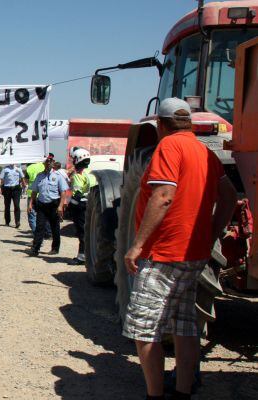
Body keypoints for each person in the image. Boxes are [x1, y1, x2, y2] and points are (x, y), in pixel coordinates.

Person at [122, 98, 236, 400]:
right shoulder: (205, 151)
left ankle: (154, 394)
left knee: (144, 330)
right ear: (189, 123)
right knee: (185, 325)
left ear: (161, 124)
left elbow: (163, 195)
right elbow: (230, 197)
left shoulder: (169, 147)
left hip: (163, 254)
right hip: (193, 254)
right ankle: (183, 391)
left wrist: (137, 245)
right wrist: (211, 233)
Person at [29, 158, 69, 256]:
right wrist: (30, 203)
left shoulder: (58, 176)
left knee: (55, 228)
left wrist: (60, 206)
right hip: (42, 205)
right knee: (40, 227)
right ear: (44, 164)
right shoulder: (39, 176)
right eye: (46, 162)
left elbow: (63, 192)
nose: (48, 164)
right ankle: (35, 249)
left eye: (50, 162)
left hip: (53, 205)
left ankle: (55, 248)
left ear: (53, 164)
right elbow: (34, 191)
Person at [68, 147, 97, 264]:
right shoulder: (90, 173)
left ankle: (81, 257)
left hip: (80, 207)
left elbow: (77, 193)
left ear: (78, 159)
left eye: (74, 159)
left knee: (82, 232)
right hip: (90, 204)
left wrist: (70, 205)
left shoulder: (78, 175)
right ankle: (88, 255)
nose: (73, 161)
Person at [1, 164, 25, 228]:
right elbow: (1, 179)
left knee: (17, 205)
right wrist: (0, 188)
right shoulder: (5, 169)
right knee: (7, 205)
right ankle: (7, 221)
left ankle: (17, 222)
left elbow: (22, 178)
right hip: (7, 188)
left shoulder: (18, 169)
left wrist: (24, 185)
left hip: (16, 189)